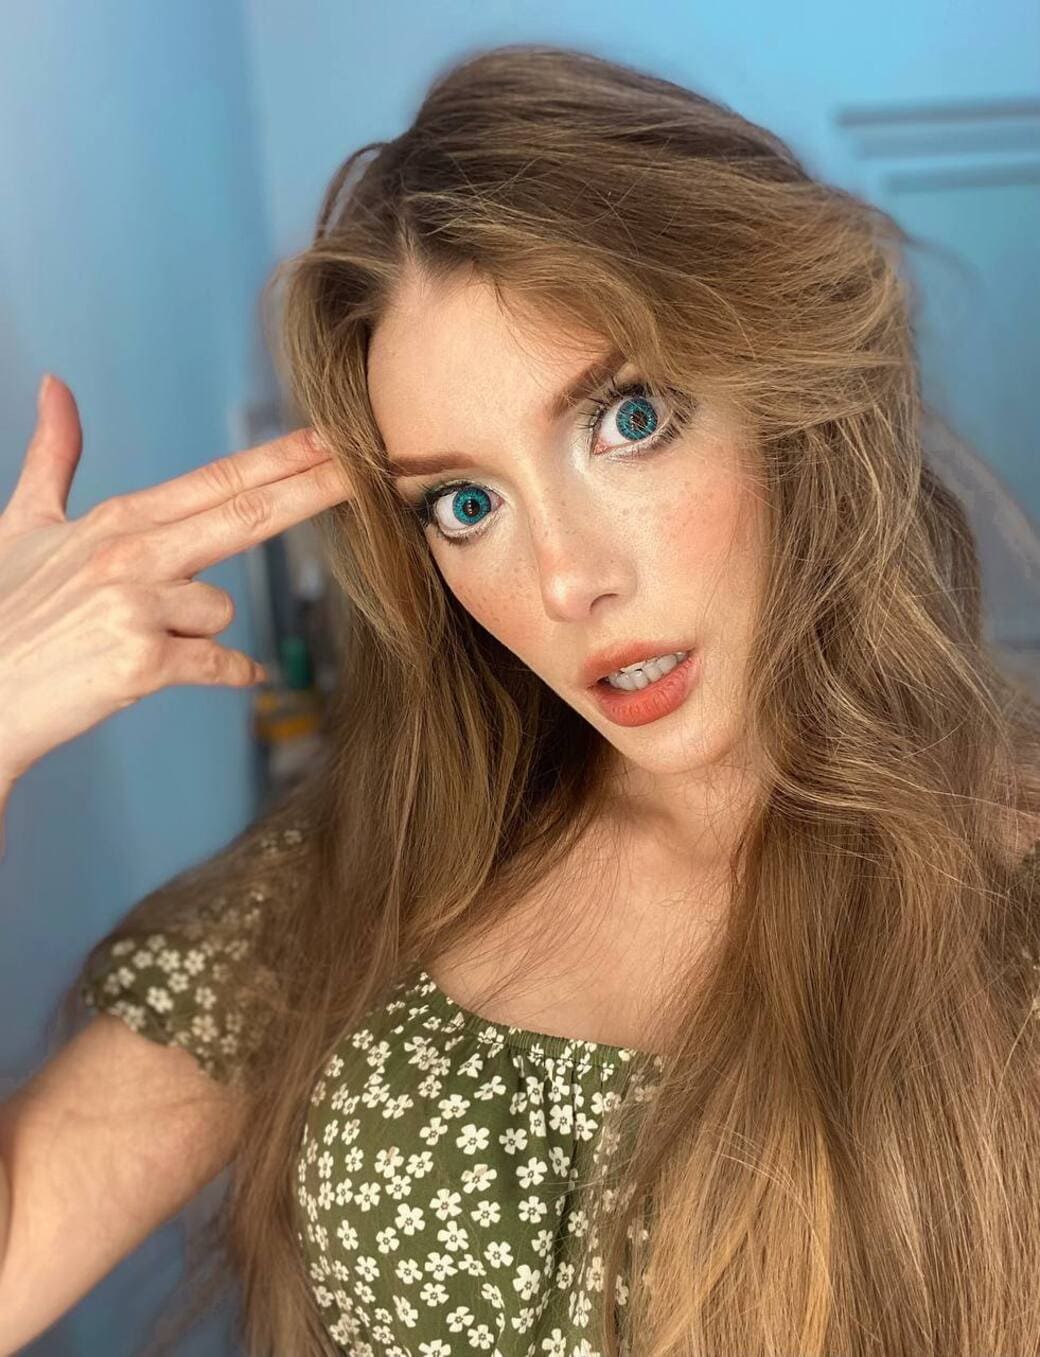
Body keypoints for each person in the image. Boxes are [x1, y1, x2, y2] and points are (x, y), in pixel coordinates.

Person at [2, 40, 1040, 1357]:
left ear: (782, 396)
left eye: (628, 421)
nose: (564, 579)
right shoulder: (369, 871)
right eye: (465, 502)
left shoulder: (1008, 908)